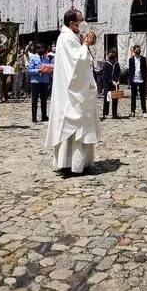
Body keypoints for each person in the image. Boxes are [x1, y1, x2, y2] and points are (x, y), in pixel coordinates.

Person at [46, 10, 100, 174]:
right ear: (72, 24)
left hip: (77, 89)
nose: (84, 24)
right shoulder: (67, 37)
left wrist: (85, 44)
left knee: (81, 125)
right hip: (72, 93)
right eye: (81, 21)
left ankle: (80, 163)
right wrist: (85, 45)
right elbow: (77, 63)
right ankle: (71, 164)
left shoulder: (72, 36)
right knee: (74, 124)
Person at [28, 44, 53, 123]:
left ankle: (44, 116)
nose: (42, 51)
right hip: (36, 81)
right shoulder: (33, 58)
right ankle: (34, 117)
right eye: (40, 49)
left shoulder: (46, 58)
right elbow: (30, 70)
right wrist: (38, 70)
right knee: (35, 100)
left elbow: (48, 67)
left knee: (44, 100)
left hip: (44, 81)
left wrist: (49, 70)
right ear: (37, 49)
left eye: (43, 49)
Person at [127, 45, 147, 118]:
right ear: (133, 51)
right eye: (136, 50)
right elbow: (130, 70)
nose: (138, 51)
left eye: (139, 49)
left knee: (142, 96)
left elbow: (145, 69)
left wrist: (145, 79)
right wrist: (129, 81)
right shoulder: (131, 60)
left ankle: (144, 111)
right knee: (133, 96)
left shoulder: (143, 59)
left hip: (141, 79)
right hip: (134, 79)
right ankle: (133, 111)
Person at [99, 50, 122, 120]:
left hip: (115, 84)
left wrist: (118, 81)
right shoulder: (106, 64)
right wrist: (111, 81)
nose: (111, 55)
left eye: (113, 54)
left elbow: (119, 73)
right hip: (108, 84)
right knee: (107, 99)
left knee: (115, 98)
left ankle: (114, 113)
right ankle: (105, 113)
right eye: (110, 54)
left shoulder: (116, 64)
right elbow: (105, 75)